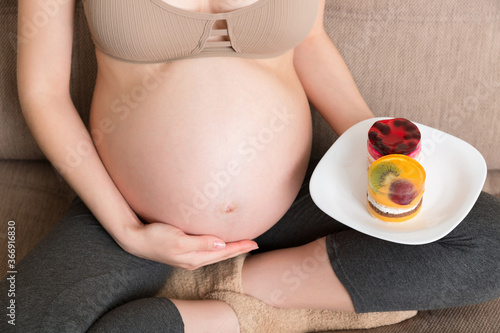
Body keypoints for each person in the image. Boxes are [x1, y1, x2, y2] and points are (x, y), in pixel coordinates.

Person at [3, 0, 500, 332]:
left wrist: (378, 146)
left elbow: (308, 41)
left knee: (490, 242)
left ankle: (242, 295)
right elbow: (42, 93)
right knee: (23, 318)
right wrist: (129, 230)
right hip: (129, 213)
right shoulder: (126, 224)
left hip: (297, 199)